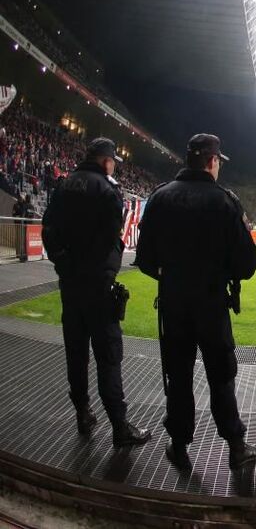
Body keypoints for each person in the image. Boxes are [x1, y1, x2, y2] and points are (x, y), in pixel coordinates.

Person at [135, 134, 256, 472]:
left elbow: (145, 259)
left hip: (174, 303)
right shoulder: (224, 201)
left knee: (178, 376)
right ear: (213, 161)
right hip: (211, 304)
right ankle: (235, 447)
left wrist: (172, 277)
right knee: (221, 376)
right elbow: (247, 265)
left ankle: (178, 445)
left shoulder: (160, 197)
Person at [41, 138, 151, 447]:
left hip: (71, 286)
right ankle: (119, 426)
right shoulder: (106, 189)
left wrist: (64, 265)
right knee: (108, 357)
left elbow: (48, 230)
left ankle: (82, 413)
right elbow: (109, 240)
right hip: (97, 288)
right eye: (114, 161)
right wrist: (104, 275)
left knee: (75, 353)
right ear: (106, 161)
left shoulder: (64, 186)